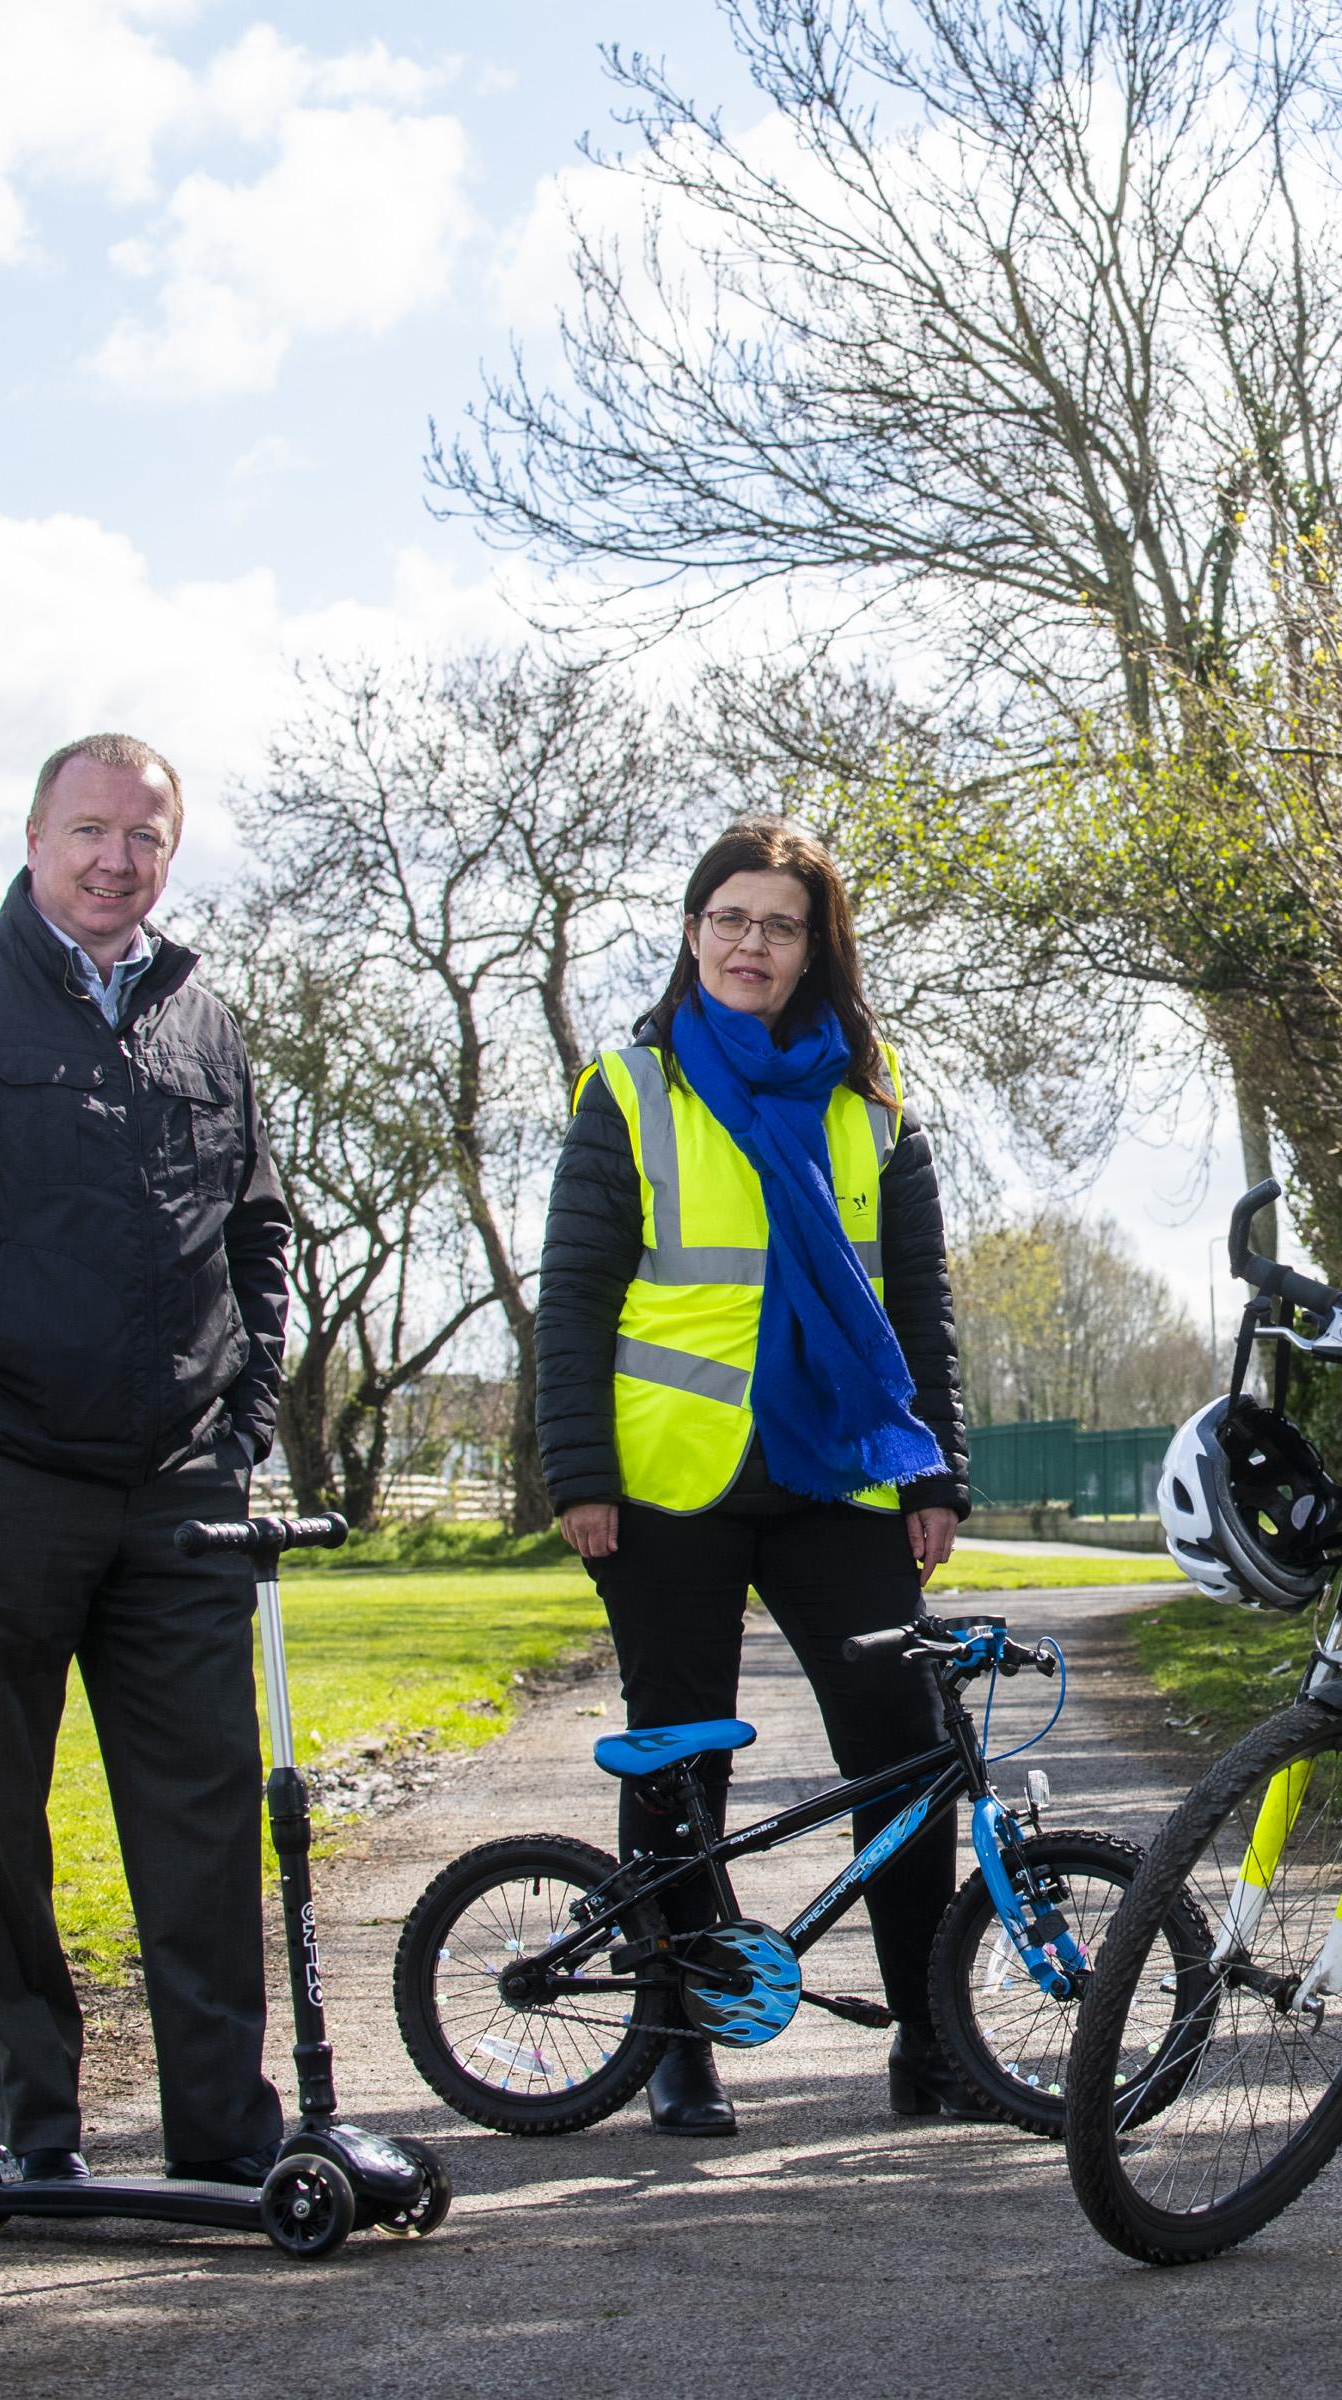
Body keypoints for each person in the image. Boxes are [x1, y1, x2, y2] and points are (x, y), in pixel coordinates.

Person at [0, 733, 292, 2189]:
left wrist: (247, 1415)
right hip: (4, 1485)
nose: (114, 861)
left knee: (206, 1825)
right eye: (89, 831)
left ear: (170, 856)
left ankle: (221, 2134)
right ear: (33, 838)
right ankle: (36, 2123)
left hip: (182, 1495)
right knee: (0, 1822)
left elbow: (260, 1234)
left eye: (144, 839)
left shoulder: (208, 1022)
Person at [536, 817, 975, 2136]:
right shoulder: (631, 1088)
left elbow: (920, 1297)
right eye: (729, 917)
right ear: (690, 930)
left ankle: (932, 2040)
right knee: (679, 1760)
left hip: (836, 1471)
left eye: (780, 924)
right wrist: (578, 1470)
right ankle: (682, 2039)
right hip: (669, 1479)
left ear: (812, 947)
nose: (751, 943)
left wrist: (936, 1471)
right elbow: (576, 1296)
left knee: (903, 1753)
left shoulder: (875, 1094)